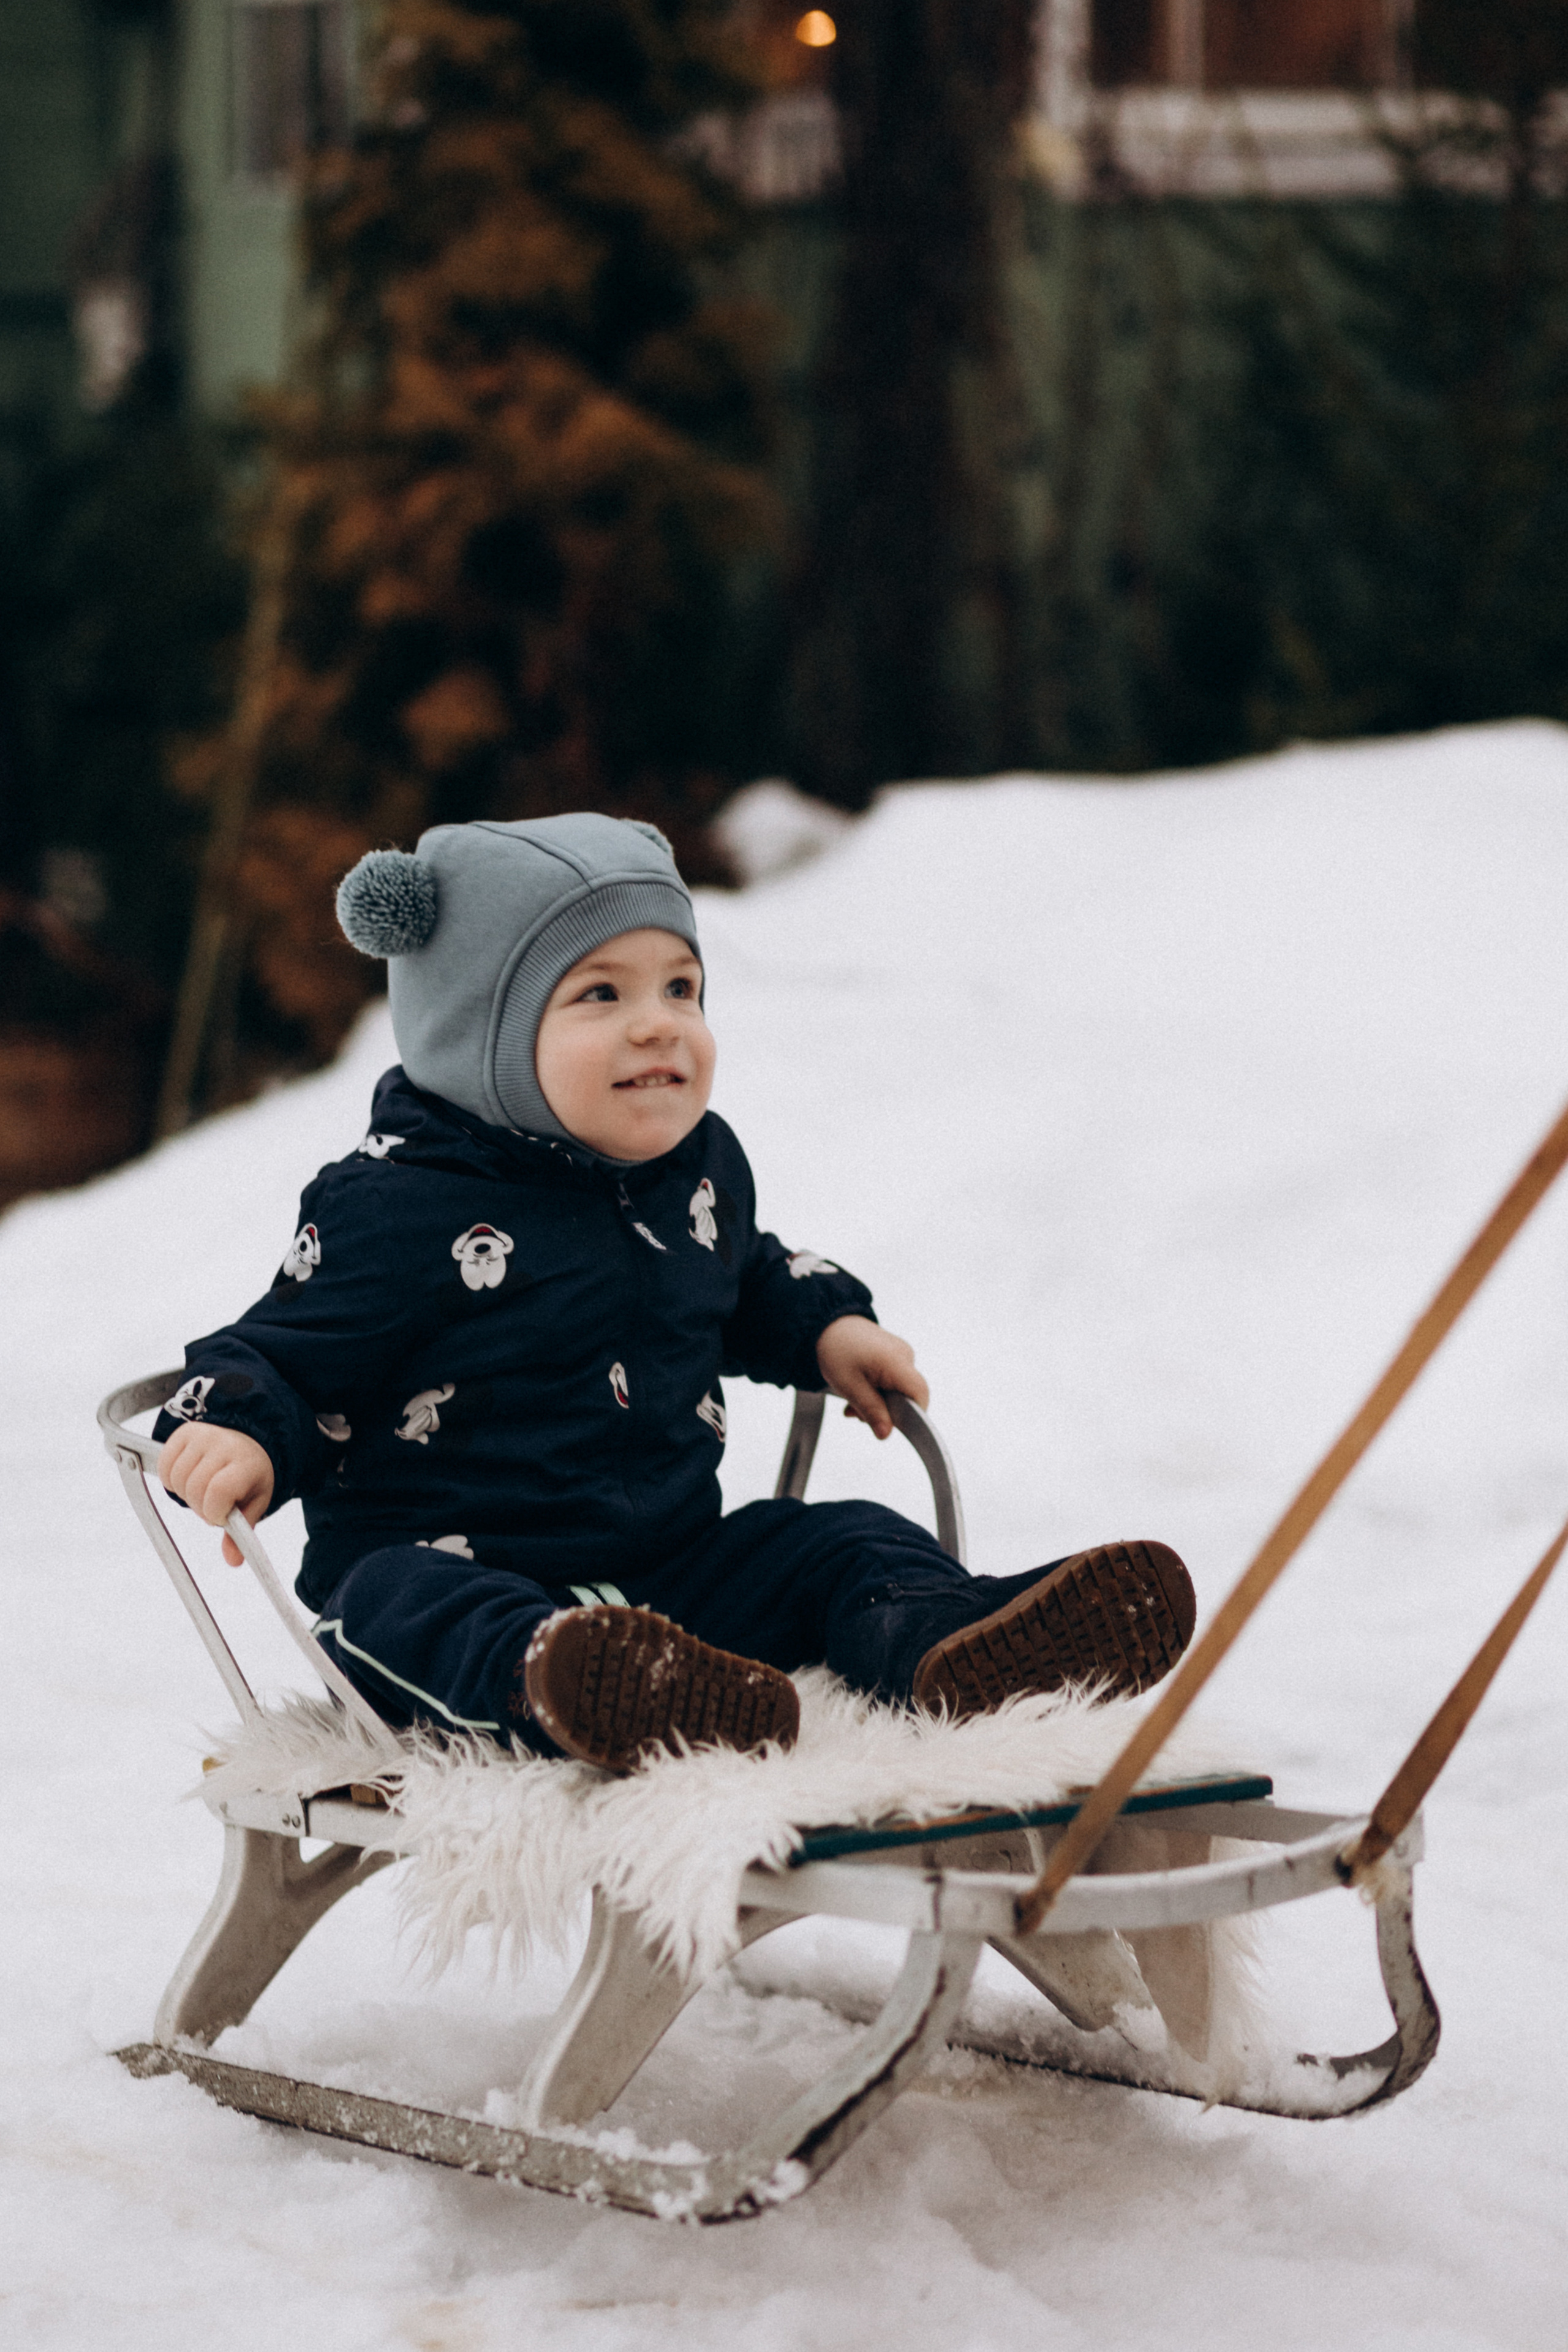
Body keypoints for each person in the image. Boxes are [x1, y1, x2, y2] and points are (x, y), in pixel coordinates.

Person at [157, 815, 1195, 1771]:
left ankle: (950, 1644)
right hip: (460, 1574)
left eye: (681, 989)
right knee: (394, 1598)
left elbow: (739, 1279)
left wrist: (824, 1325)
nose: (659, 1026)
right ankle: (568, 1682)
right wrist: (244, 1429)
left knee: (835, 1537)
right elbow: (285, 1350)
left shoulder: (695, 1169)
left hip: (671, 1576)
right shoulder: (392, 1207)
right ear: (478, 1032)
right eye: (601, 994)